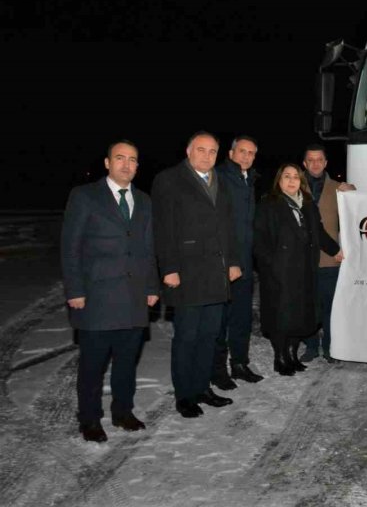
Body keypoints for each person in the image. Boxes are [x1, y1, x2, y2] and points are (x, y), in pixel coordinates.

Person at [60, 140, 159, 443]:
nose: (126, 164)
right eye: (120, 158)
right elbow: (70, 247)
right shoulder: (84, 196)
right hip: (97, 298)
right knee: (93, 365)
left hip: (133, 297)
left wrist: (152, 286)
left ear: (137, 166)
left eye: (132, 159)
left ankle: (123, 412)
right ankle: (90, 419)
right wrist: (75, 290)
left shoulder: (144, 200)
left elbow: (148, 247)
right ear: (107, 163)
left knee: (127, 362)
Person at [152, 131, 241, 418]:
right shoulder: (169, 179)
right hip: (186, 272)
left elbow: (228, 225)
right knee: (187, 337)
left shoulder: (220, 181)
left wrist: (233, 261)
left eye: (212, 151)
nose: (207, 156)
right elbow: (163, 228)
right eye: (201, 150)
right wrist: (169, 268)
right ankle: (185, 395)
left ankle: (202, 388)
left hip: (216, 273)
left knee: (209, 335)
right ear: (189, 151)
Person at [253, 163, 342, 376]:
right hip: (279, 272)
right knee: (280, 315)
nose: (291, 181)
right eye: (287, 176)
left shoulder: (308, 204)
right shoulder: (269, 204)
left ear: (300, 182)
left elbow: (319, 233)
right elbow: (259, 241)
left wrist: (335, 250)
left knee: (299, 315)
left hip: (304, 270)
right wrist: (271, 265)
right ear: (279, 180)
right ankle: (280, 357)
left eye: (295, 177)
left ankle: (292, 354)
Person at [211, 135, 264, 389]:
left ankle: (240, 364)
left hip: (245, 262)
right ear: (231, 154)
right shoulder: (219, 177)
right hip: (224, 262)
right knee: (220, 320)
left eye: (251, 153)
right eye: (242, 151)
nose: (246, 156)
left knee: (242, 318)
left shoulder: (250, 180)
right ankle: (217, 370)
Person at [300, 144, 355, 364]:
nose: (315, 164)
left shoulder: (338, 188)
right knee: (307, 306)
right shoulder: (293, 185)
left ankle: (330, 347)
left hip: (330, 258)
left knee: (331, 307)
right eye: (310, 160)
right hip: (302, 260)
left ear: (325, 163)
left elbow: (358, 207)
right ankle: (311, 346)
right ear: (304, 163)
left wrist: (353, 189)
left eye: (319, 159)